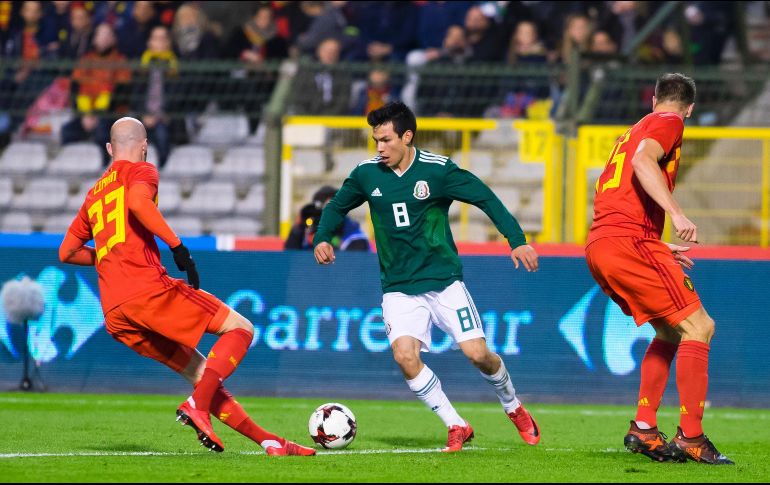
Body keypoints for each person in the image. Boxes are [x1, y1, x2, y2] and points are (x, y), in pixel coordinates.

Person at [58, 117, 315, 457]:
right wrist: (178, 247)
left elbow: (67, 252)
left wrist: (108, 257)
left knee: (201, 372)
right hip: (147, 289)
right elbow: (138, 203)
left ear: (109, 148)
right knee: (241, 329)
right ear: (145, 145)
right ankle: (197, 405)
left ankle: (270, 442)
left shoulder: (94, 194)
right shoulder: (141, 170)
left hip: (115, 313)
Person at [313, 102, 541, 452]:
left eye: (386, 140)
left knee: (478, 354)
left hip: (443, 282)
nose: (380, 148)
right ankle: (456, 424)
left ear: (407, 136)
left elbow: (485, 198)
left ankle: (512, 405)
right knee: (405, 357)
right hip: (398, 287)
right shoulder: (366, 174)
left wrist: (517, 240)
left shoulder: (438, 171)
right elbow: (337, 206)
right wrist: (322, 237)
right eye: (376, 141)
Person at [584, 73, 733, 465]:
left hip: (604, 243)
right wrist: (676, 214)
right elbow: (642, 161)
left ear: (653, 99)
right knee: (700, 327)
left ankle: (645, 427)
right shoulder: (669, 122)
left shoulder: (634, 128)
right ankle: (692, 437)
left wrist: (656, 242)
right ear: (690, 108)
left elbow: (620, 190)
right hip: (628, 242)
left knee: (668, 331)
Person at [285, 185, 370, 251]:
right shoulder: (307, 232)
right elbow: (288, 259)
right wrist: (297, 228)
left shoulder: (355, 237)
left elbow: (351, 266)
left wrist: (326, 243)